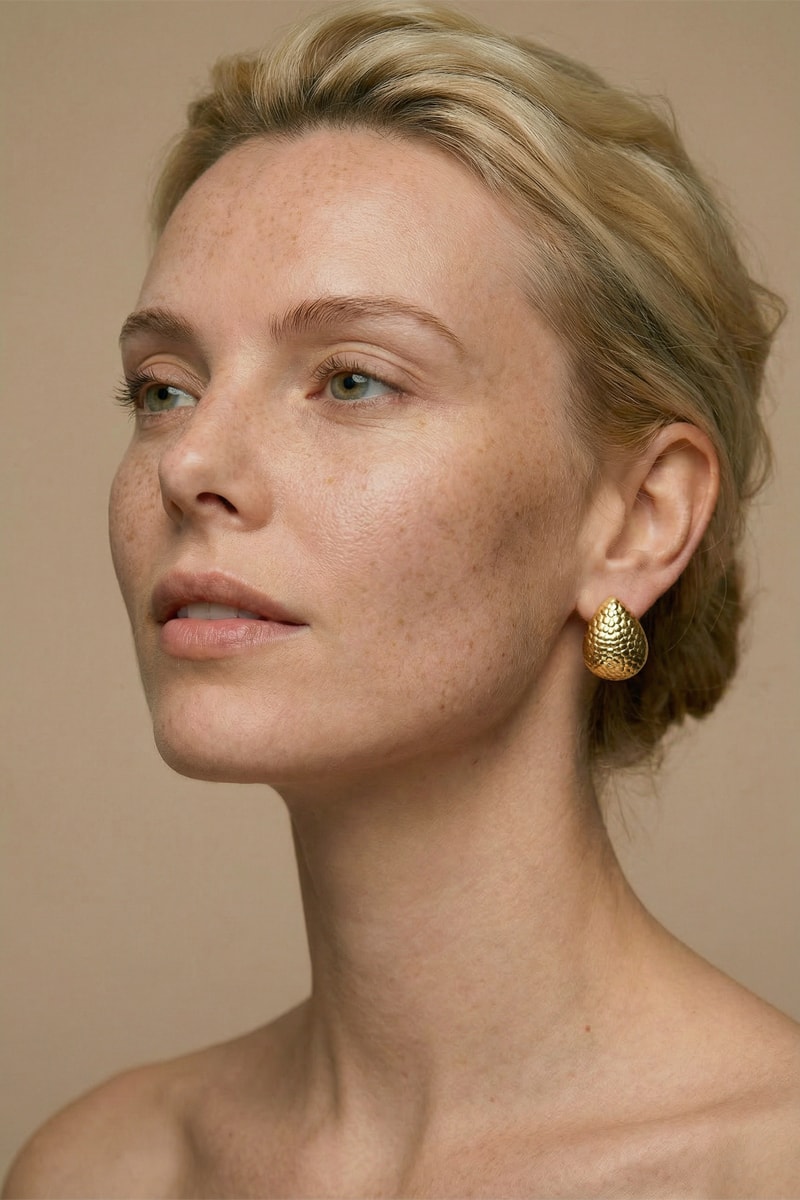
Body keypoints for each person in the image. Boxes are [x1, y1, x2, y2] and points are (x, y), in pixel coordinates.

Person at [4, 2, 799, 1196]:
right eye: (162, 388)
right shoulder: (100, 1173)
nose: (189, 462)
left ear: (638, 518)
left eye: (352, 379)